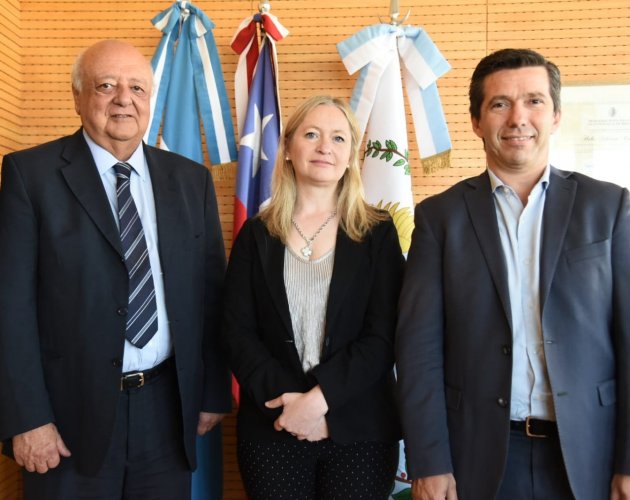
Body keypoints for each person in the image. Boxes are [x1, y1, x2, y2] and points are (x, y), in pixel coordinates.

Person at [0, 39, 231, 499]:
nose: (124, 99)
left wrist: (212, 393)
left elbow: (210, 295)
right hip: (66, 417)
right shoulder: (30, 175)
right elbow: (10, 305)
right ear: (78, 96)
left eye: (137, 88)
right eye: (106, 85)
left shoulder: (192, 181)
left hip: (168, 411)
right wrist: (27, 418)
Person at [396, 48, 630, 500]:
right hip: (477, 455)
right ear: (476, 122)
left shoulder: (609, 207)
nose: (518, 118)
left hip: (591, 454)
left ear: (556, 115)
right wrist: (429, 460)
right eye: (500, 104)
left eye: (534, 101)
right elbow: (418, 350)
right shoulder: (439, 218)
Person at [222, 95, 404, 499]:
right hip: (273, 424)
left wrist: (321, 401)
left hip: (359, 429)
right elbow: (236, 333)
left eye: (339, 138)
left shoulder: (378, 232)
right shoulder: (256, 234)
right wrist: (294, 408)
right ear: (288, 148)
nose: (325, 147)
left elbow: (383, 335)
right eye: (311, 135)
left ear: (351, 156)